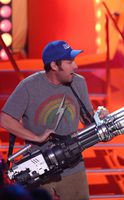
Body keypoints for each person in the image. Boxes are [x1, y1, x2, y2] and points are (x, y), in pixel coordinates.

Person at [0, 40, 108, 200]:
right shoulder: (28, 86)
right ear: (54, 66)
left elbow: (89, 122)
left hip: (73, 166)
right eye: (69, 62)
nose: (76, 66)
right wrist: (36, 137)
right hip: (39, 170)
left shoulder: (79, 82)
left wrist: (100, 117)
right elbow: (5, 119)